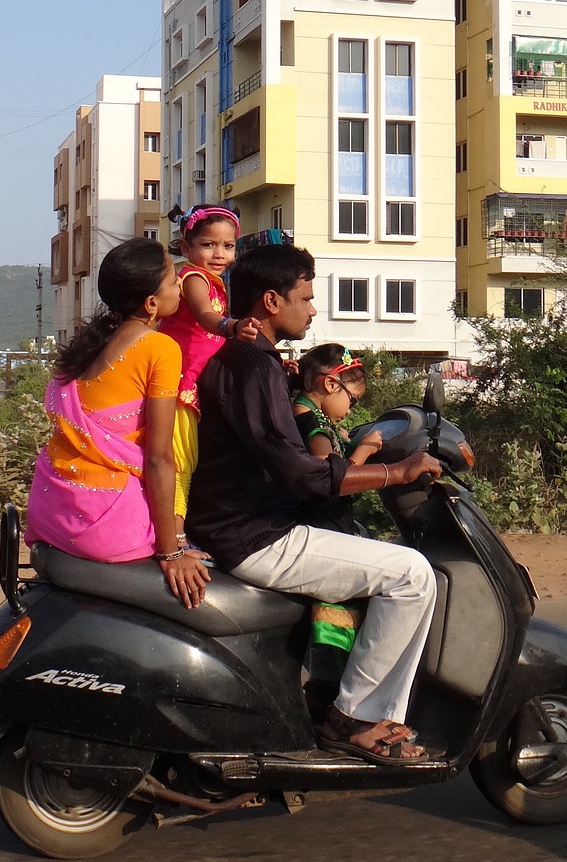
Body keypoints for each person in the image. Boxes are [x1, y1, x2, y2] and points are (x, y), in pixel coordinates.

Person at [186, 243, 441, 764]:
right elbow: (300, 472)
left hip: (242, 523)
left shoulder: (250, 361)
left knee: (371, 554)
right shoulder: (254, 367)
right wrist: (395, 472)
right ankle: (355, 717)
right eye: (305, 298)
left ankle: (327, 689)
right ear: (272, 301)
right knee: (411, 574)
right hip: (257, 534)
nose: (312, 309)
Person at [24, 237, 211, 609]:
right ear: (151, 304)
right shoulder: (160, 348)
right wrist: (171, 552)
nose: (181, 285)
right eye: (173, 280)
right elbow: (158, 458)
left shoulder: (90, 345)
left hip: (51, 511)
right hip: (102, 524)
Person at [159, 206, 260, 539]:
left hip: (191, 388)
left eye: (228, 246)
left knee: (187, 464)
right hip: (178, 386)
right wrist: (232, 326)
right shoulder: (194, 278)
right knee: (179, 465)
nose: (219, 254)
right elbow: (204, 316)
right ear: (186, 248)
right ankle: (174, 541)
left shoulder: (215, 281)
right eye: (208, 245)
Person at [291, 343, 384, 536]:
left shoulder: (299, 414)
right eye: (352, 400)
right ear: (331, 384)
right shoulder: (313, 424)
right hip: (325, 528)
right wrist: (364, 450)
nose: (349, 411)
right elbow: (330, 480)